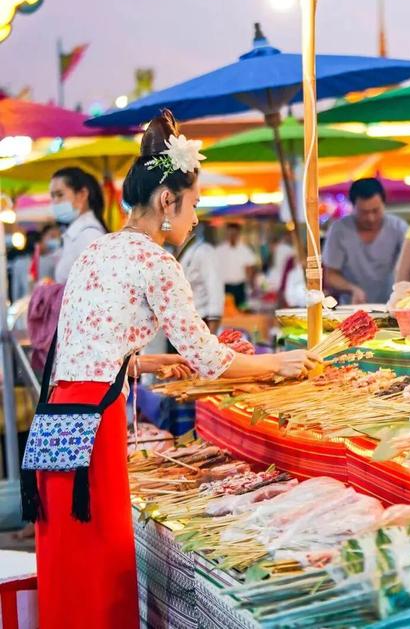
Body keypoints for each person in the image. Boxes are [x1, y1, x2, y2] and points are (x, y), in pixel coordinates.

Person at [31, 110, 314, 629]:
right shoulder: (159, 262)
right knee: (101, 560)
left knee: (69, 562)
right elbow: (210, 359)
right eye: (194, 206)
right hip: (94, 429)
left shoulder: (99, 250)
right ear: (167, 201)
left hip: (58, 420)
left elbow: (86, 346)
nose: (196, 219)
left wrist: (151, 360)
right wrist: (281, 361)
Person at [323, 178, 408, 305]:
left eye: (376, 210)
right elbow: (331, 275)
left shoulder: (399, 227)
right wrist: (352, 289)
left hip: (391, 307)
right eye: (364, 212)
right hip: (351, 309)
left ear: (384, 204)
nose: (371, 218)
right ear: (353, 207)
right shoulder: (339, 230)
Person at [49, 167, 107, 284]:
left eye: (60, 195)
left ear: (82, 194)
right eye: (53, 196)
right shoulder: (75, 233)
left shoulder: (89, 235)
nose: (55, 202)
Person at [179, 223, 225, 330]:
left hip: (201, 320)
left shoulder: (204, 251)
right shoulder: (178, 250)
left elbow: (215, 290)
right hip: (182, 321)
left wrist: (213, 329)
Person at [215, 223, 257, 307]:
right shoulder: (219, 250)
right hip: (225, 287)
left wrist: (251, 286)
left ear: (238, 234)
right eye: (230, 233)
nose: (232, 235)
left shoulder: (245, 250)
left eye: (234, 233)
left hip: (240, 287)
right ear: (226, 234)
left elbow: (249, 268)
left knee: (242, 310)